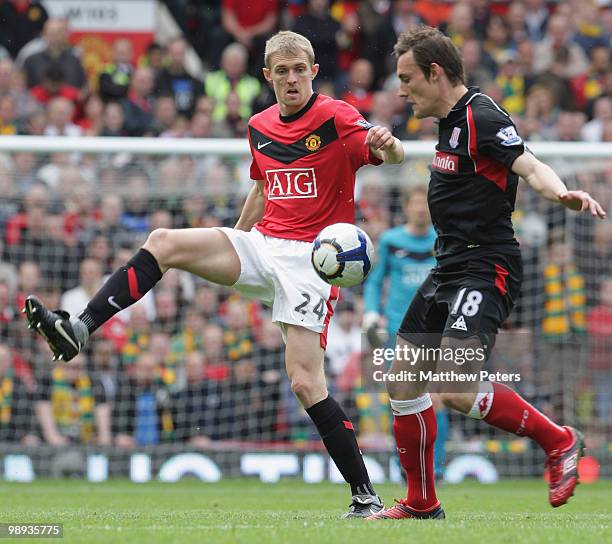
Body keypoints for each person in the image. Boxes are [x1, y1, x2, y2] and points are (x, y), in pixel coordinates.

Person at [24, 30, 404, 518]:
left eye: (299, 70)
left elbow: (387, 155)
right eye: (281, 71)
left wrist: (388, 145)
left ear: (313, 71)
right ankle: (78, 328)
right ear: (268, 77)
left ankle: (364, 494)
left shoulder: (336, 116)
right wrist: (237, 242)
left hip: (311, 263)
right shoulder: (260, 125)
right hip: (264, 244)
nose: (291, 79)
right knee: (163, 241)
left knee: (306, 384)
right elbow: (264, 186)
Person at [367, 26, 606, 521]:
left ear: (436, 73)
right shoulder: (449, 121)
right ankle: (421, 501)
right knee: (403, 381)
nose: (401, 90)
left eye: (408, 78)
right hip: (448, 266)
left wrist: (561, 193)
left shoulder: (481, 115)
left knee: (454, 387)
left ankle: (560, 440)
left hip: (485, 265)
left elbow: (528, 164)